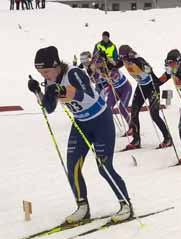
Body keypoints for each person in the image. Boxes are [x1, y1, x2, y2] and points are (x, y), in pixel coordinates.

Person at [27, 45, 132, 223]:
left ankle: (126, 205)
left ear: (56, 65)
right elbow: (50, 108)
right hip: (81, 123)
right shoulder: (51, 80)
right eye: (40, 72)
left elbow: (87, 95)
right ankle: (82, 207)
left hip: (100, 120)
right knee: (73, 166)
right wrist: (38, 91)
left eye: (45, 71)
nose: (44, 75)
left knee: (104, 167)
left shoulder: (74, 73)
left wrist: (62, 91)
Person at [119, 44, 172, 150]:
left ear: (129, 55)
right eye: (121, 58)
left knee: (154, 114)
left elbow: (151, 73)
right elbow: (113, 65)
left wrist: (147, 69)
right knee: (134, 112)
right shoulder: (124, 60)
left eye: (124, 58)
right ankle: (136, 140)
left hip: (152, 87)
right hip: (141, 87)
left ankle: (168, 138)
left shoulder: (138, 59)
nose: (123, 61)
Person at [92, 48, 132, 130]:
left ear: (102, 63)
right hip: (115, 89)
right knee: (108, 108)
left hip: (125, 87)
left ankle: (132, 127)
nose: (96, 66)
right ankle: (108, 129)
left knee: (122, 108)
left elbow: (116, 75)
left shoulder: (109, 66)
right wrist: (94, 76)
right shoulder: (98, 70)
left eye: (98, 63)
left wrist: (110, 76)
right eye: (95, 64)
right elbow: (94, 79)